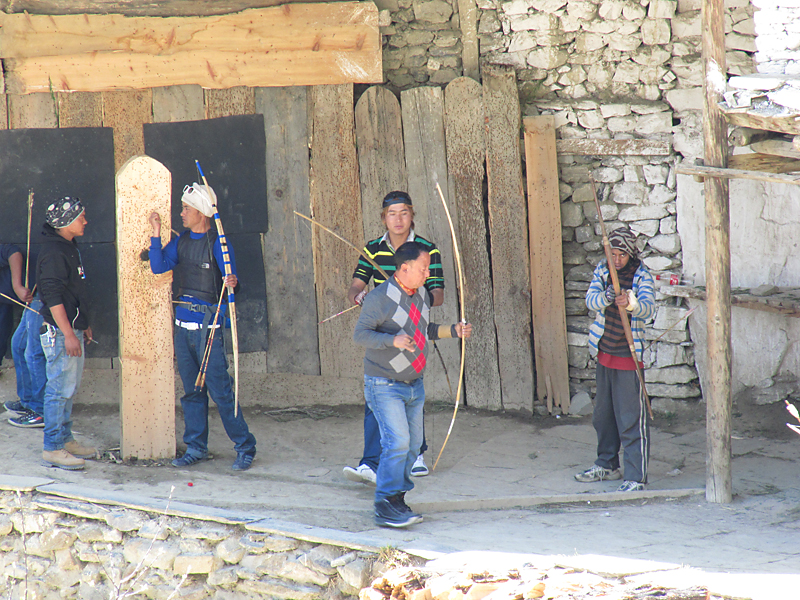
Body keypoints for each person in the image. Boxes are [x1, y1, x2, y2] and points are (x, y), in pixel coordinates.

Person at [354, 241, 471, 528]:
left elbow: (423, 329)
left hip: (414, 384)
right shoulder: (379, 298)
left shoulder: (420, 295)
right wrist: (391, 340)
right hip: (383, 383)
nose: (428, 274)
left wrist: (454, 331)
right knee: (397, 442)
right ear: (404, 268)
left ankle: (397, 497)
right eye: (423, 268)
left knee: (414, 445)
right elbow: (361, 335)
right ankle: (384, 503)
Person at [149, 182, 256, 471]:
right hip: (183, 327)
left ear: (201, 213)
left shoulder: (219, 243)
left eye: (186, 209)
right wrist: (156, 234)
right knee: (192, 392)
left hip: (208, 329)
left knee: (221, 392)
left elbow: (231, 285)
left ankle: (245, 446)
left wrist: (232, 282)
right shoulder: (182, 241)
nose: (181, 213)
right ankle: (196, 448)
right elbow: (158, 267)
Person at [343, 191, 445, 485]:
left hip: (412, 330)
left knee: (410, 389)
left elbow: (437, 294)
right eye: (392, 213)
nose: (398, 219)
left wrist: (408, 299)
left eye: (404, 213)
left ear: (412, 215)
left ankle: (417, 454)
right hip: (384, 332)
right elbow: (355, 287)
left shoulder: (427, 250)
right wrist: (360, 297)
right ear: (383, 218)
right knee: (377, 392)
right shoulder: (373, 249)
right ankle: (370, 462)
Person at [576, 226, 655, 492]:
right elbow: (590, 301)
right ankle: (607, 464)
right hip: (605, 353)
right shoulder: (603, 270)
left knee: (630, 418)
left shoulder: (641, 275)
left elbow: (648, 308)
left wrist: (631, 304)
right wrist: (607, 297)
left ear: (630, 254)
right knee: (603, 416)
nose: (617, 259)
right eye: (613, 253)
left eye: (622, 254)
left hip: (628, 357)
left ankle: (635, 476)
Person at [37, 197, 97, 470]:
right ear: (65, 222)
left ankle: (65, 439)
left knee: (68, 389)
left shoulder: (68, 246)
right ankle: (52, 447)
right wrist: (68, 334)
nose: (85, 221)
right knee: (59, 390)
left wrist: (81, 324)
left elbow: (73, 292)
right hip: (60, 333)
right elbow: (52, 296)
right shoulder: (54, 252)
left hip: (71, 329)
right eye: (80, 217)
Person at [6, 256, 44, 428]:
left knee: (34, 353)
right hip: (35, 296)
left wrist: (17, 286)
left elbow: (13, 252)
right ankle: (28, 401)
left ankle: (40, 410)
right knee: (19, 345)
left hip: (41, 296)